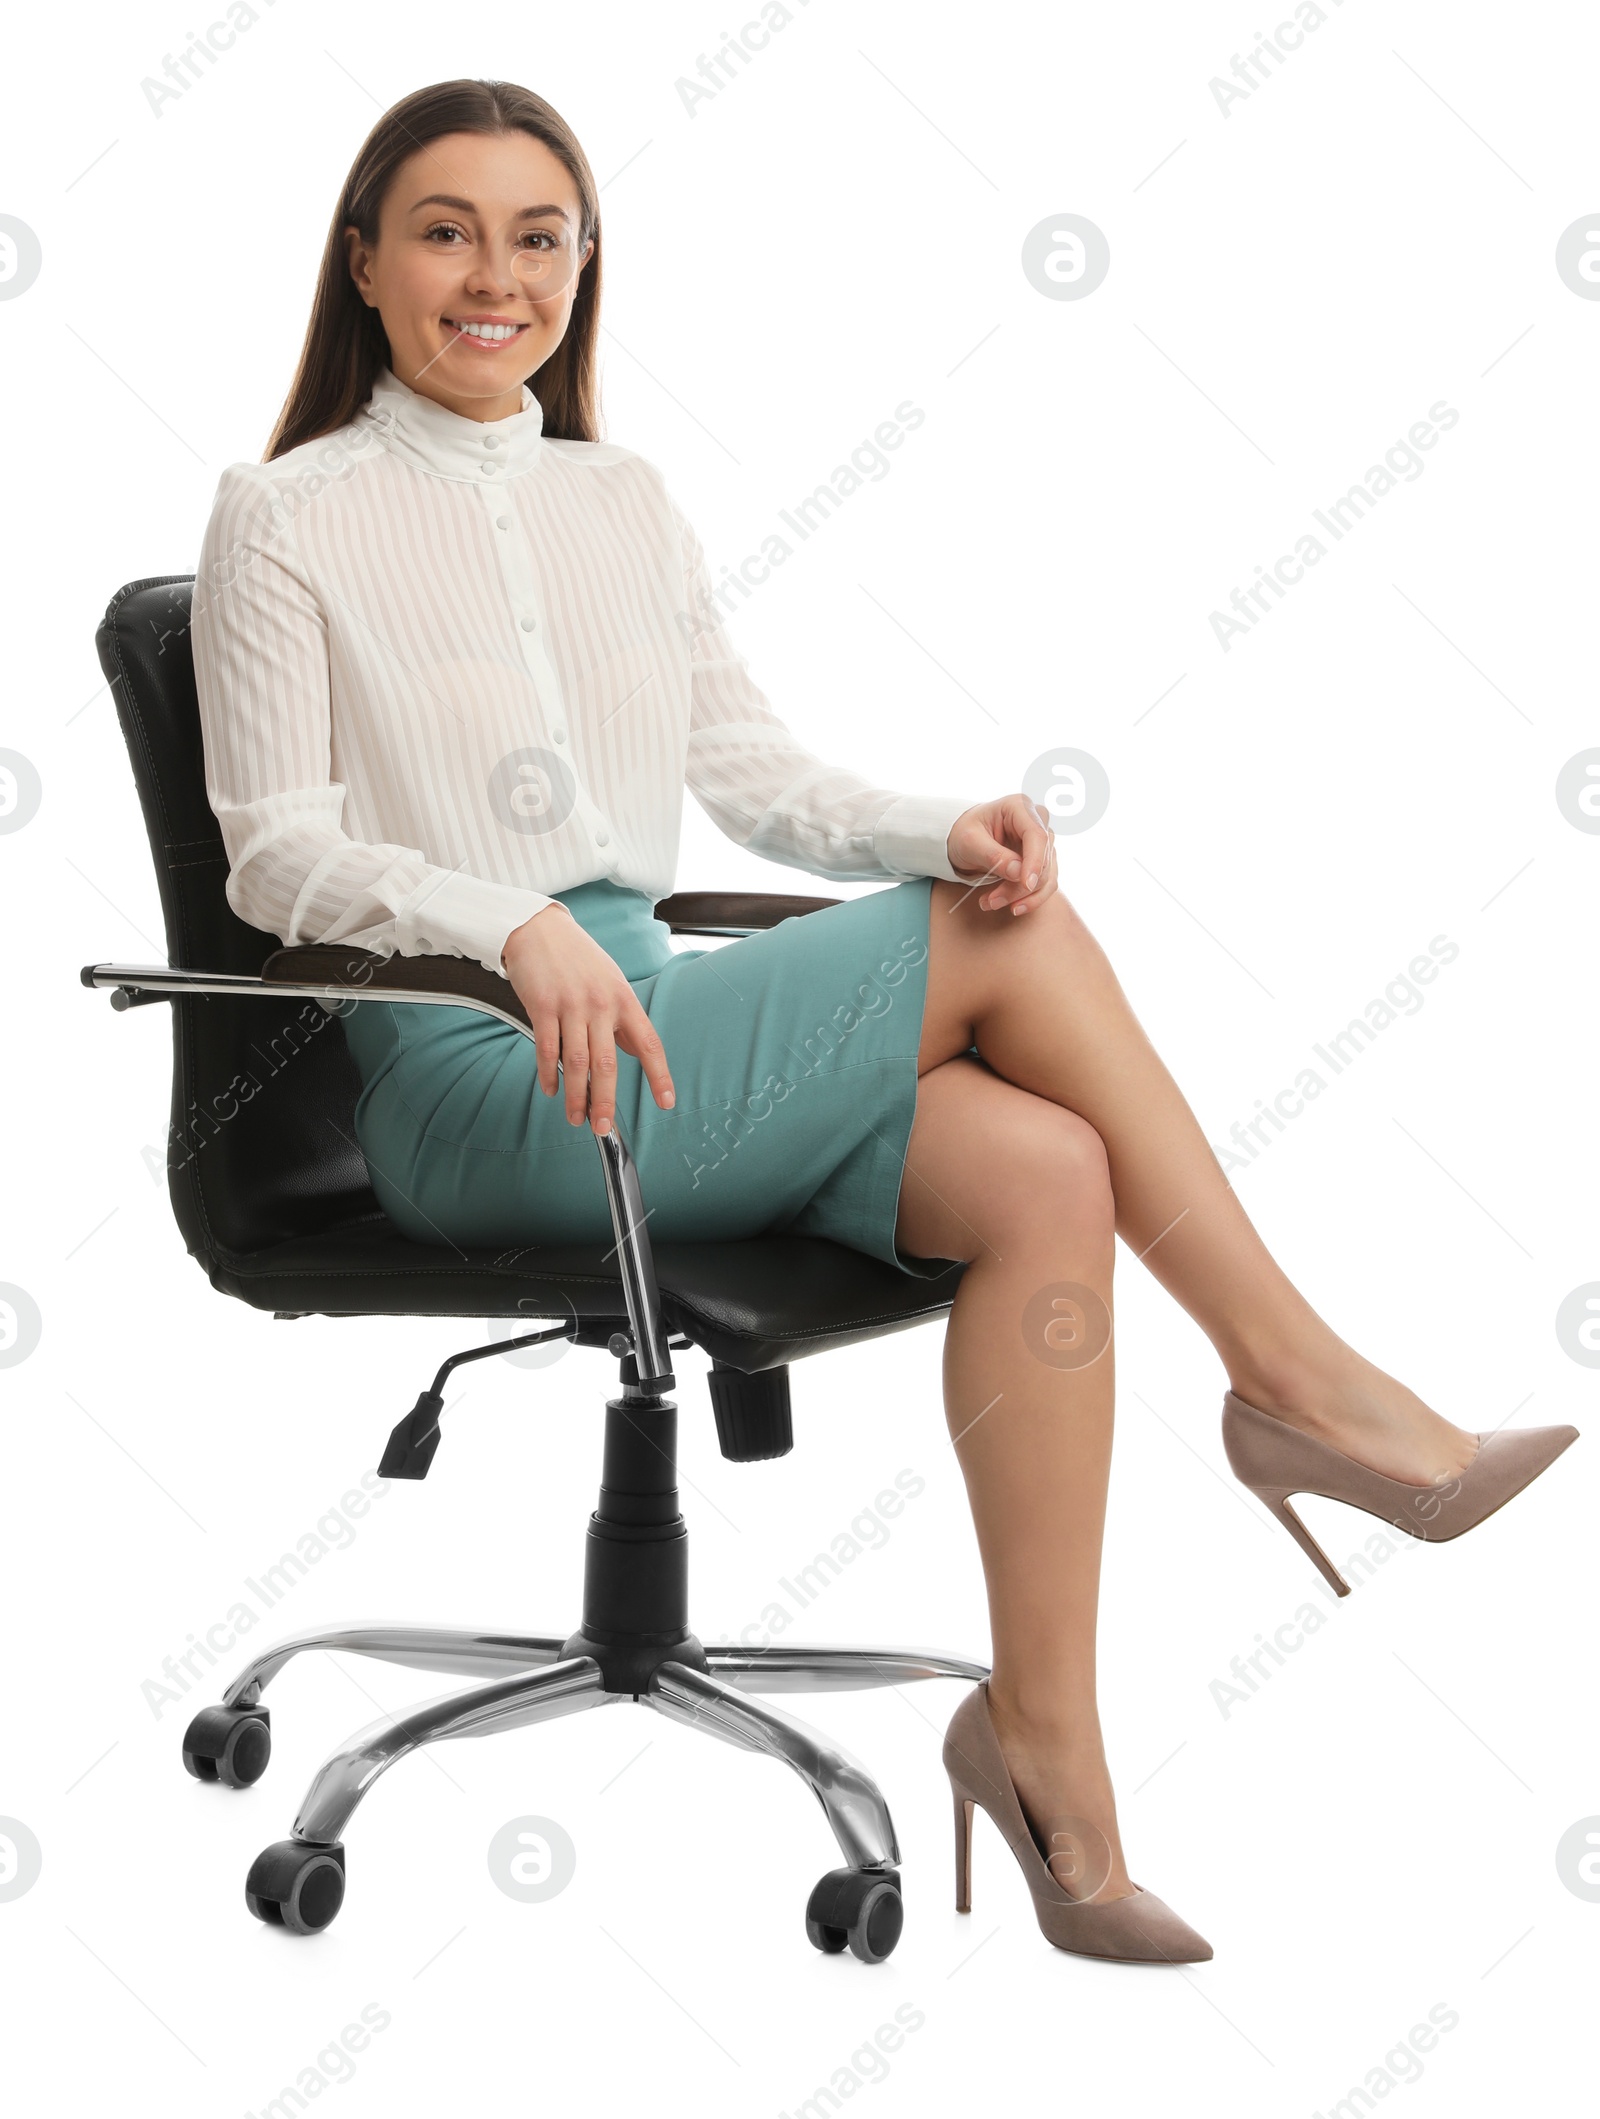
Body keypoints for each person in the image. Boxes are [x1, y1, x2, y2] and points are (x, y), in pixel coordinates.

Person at [191, 78, 1576, 1966]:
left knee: (1041, 1162)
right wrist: (505, 918)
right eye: (446, 230)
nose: (493, 276)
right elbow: (275, 859)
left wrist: (945, 825)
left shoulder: (623, 499)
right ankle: (1311, 1396)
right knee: (1001, 957)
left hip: (655, 1026)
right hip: (472, 1074)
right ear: (364, 262)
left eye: (539, 236)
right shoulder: (285, 514)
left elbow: (748, 771)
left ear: (583, 270)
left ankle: (1046, 1754)